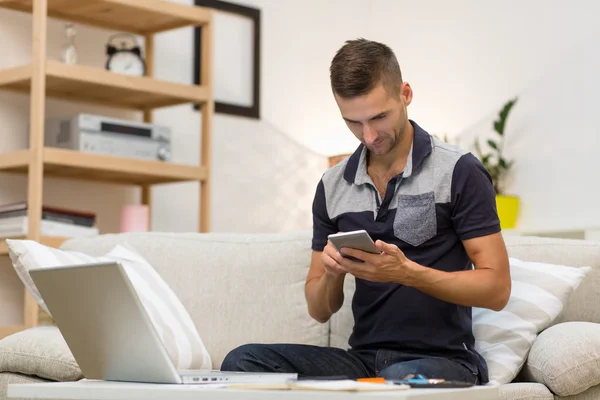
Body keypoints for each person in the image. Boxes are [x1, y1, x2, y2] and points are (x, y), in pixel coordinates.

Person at [220, 38, 511, 385]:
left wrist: (407, 273)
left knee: (399, 379)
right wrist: (331, 272)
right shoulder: (332, 185)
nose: (369, 135)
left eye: (379, 117)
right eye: (353, 122)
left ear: (405, 94)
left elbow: (497, 288)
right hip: (363, 363)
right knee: (243, 360)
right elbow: (319, 308)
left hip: (442, 360)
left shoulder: (458, 171)